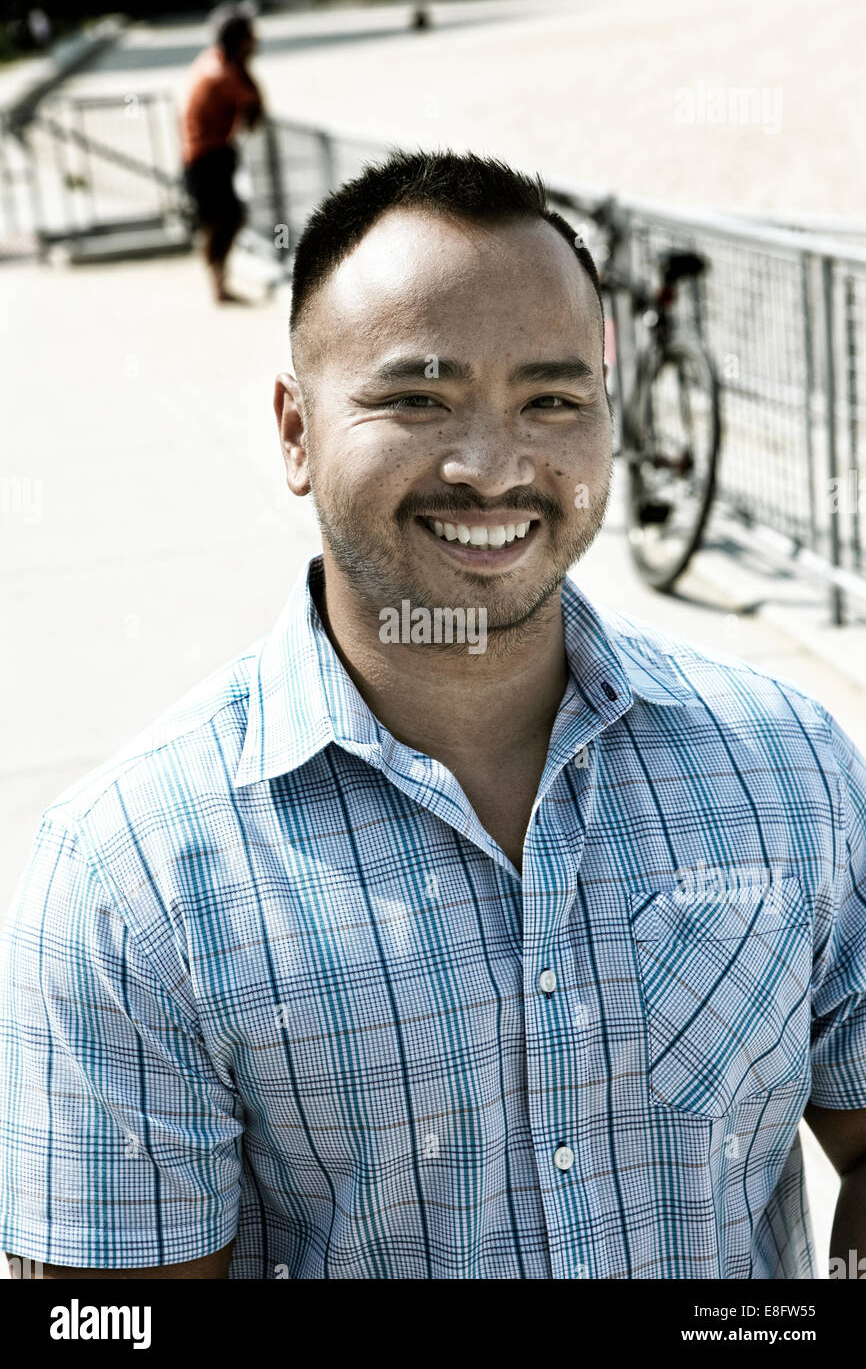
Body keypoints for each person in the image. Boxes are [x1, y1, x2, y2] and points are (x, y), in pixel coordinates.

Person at [2, 150, 866, 1280]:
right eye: (416, 398)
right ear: (295, 432)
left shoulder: (788, 764)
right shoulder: (135, 882)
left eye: (551, 400)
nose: (490, 466)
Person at [179, 6, 263, 303]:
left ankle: (218, 282)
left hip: (207, 155)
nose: (257, 40)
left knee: (225, 218)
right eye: (250, 36)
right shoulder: (223, 75)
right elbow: (255, 105)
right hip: (207, 157)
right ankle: (219, 286)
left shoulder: (213, 61)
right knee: (225, 219)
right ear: (239, 40)